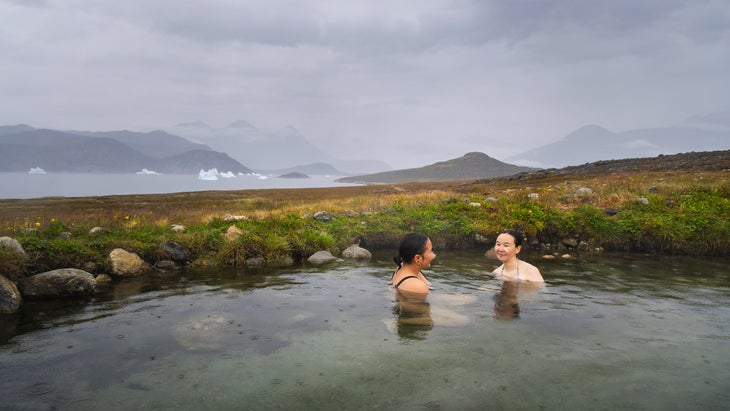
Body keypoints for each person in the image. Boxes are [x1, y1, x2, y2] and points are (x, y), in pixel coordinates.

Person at [390, 233, 436, 297]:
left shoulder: (401, 268)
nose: (434, 255)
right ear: (417, 258)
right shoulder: (417, 286)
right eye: (430, 251)